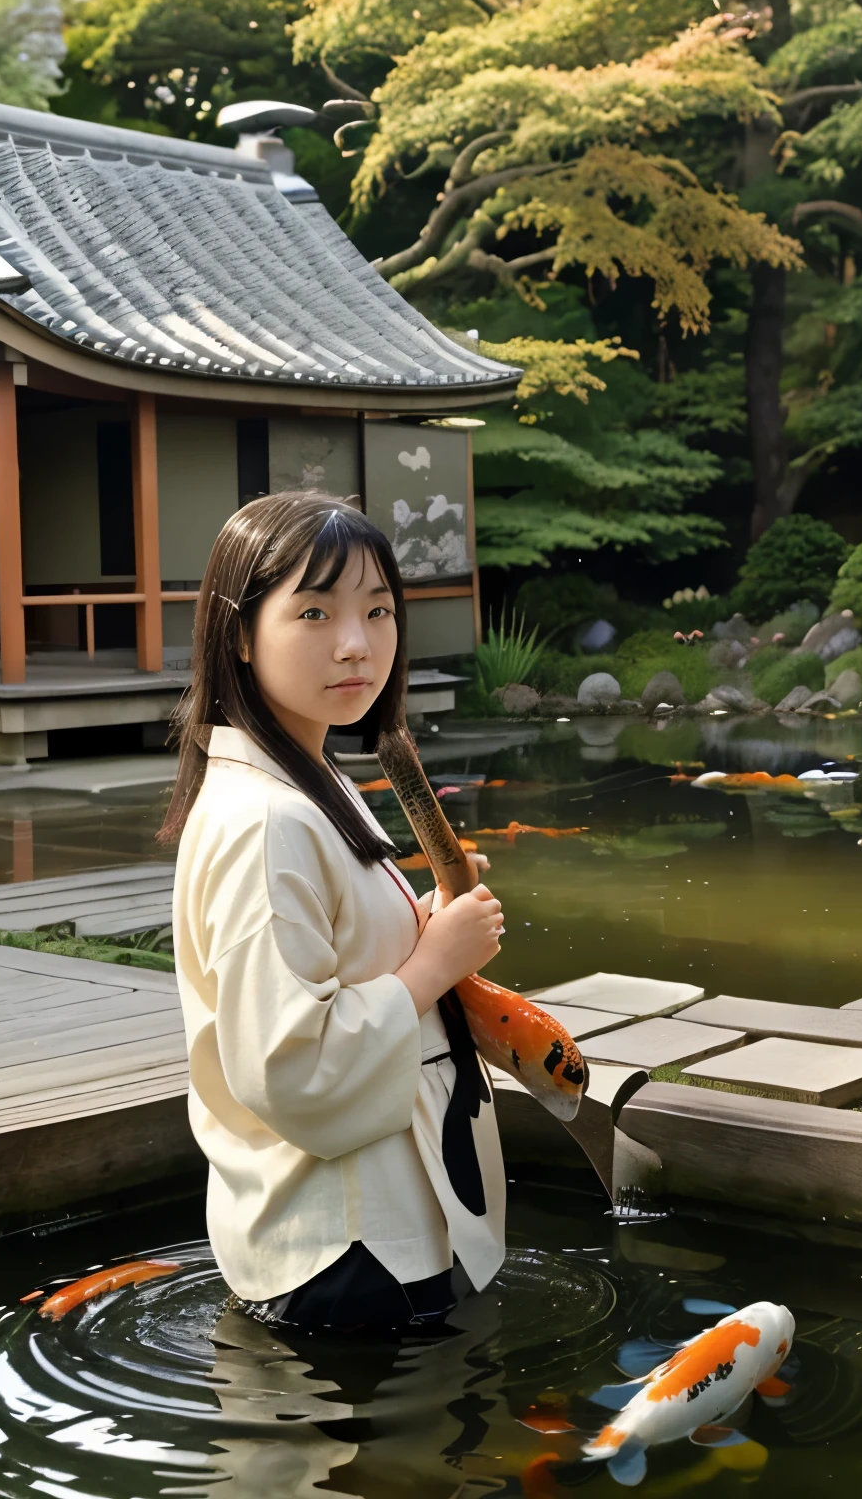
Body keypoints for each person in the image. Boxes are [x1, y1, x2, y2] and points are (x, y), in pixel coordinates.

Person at [161, 491, 507, 1334]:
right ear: (238, 634)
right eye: (314, 611)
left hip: (374, 1231)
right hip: (350, 1253)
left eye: (378, 610)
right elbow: (290, 1064)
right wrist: (431, 966)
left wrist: (426, 927)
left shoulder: (308, 776)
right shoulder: (266, 818)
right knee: (380, 1461)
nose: (357, 644)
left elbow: (336, 958)